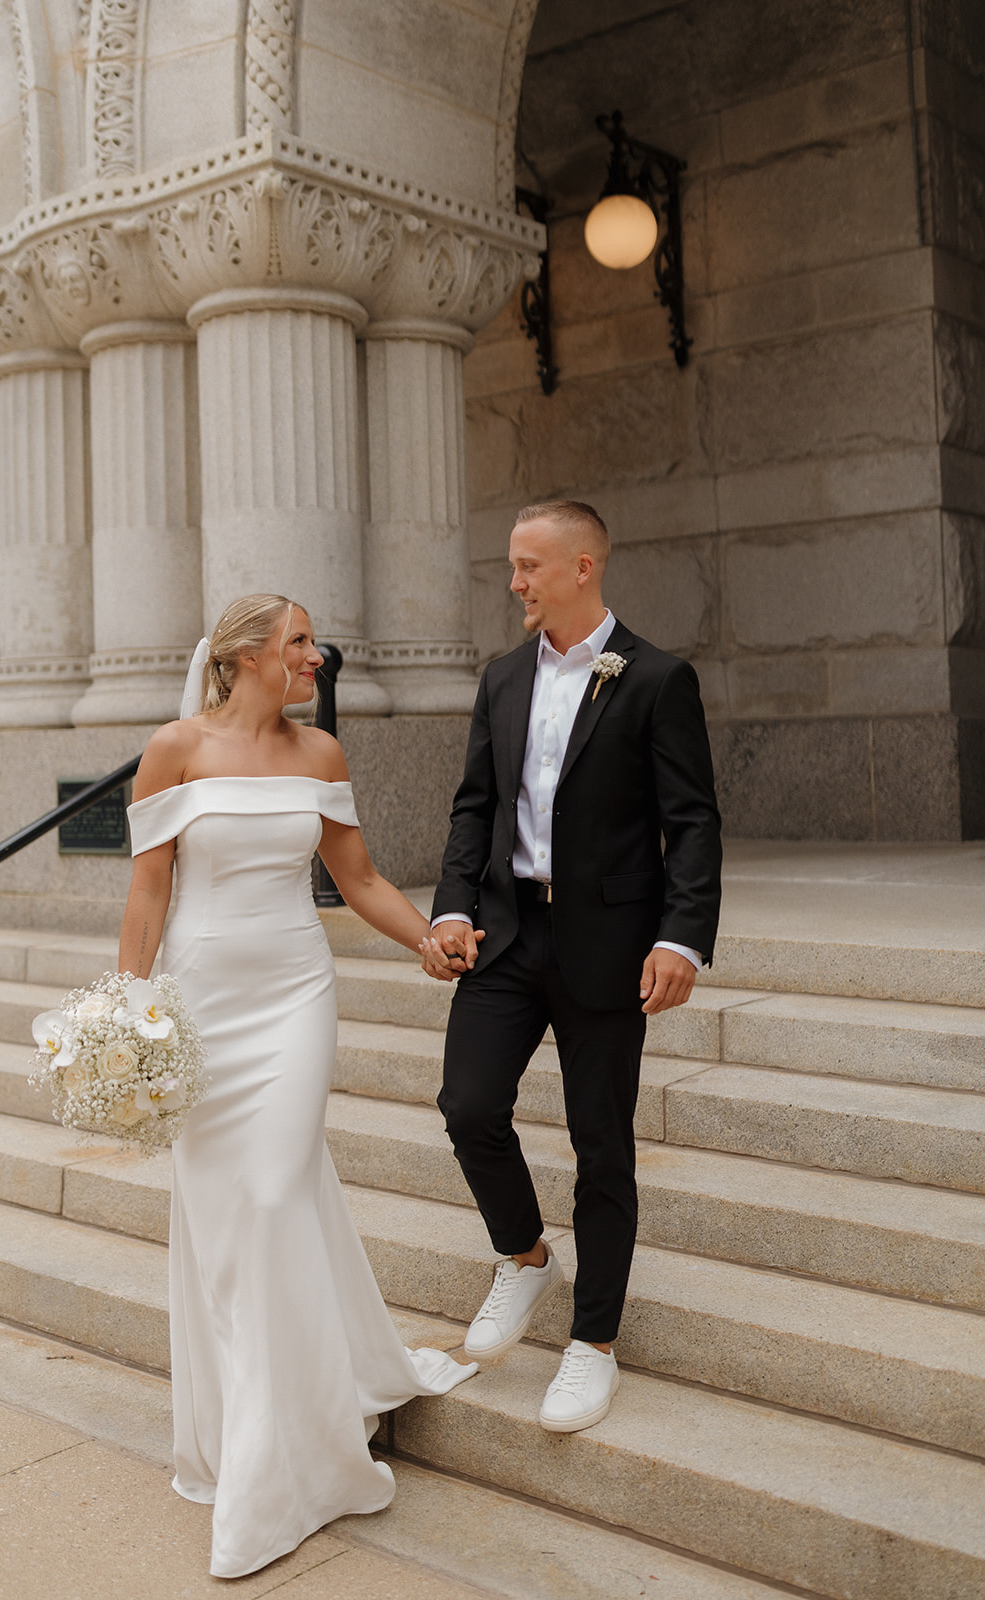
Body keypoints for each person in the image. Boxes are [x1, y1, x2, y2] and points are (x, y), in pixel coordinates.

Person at [118, 593, 475, 1580]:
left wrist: (429, 938)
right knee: (229, 1227)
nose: (316, 656)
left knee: (273, 1195)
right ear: (243, 658)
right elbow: (148, 890)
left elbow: (356, 879)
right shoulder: (173, 749)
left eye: (313, 642)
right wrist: (127, 1014)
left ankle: (284, 1470)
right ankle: (263, 1428)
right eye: (300, 642)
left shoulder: (320, 755)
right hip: (197, 1004)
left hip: (291, 998)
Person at [423, 500, 721, 1434]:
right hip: (508, 938)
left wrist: (680, 936)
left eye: (528, 566)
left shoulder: (655, 677)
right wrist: (452, 906)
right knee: (468, 1106)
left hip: (609, 947)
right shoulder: (501, 677)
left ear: (582, 566)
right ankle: (524, 1257)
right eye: (514, 566)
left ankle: (592, 1345)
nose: (514, 581)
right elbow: (476, 807)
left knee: (602, 1146)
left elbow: (693, 820)